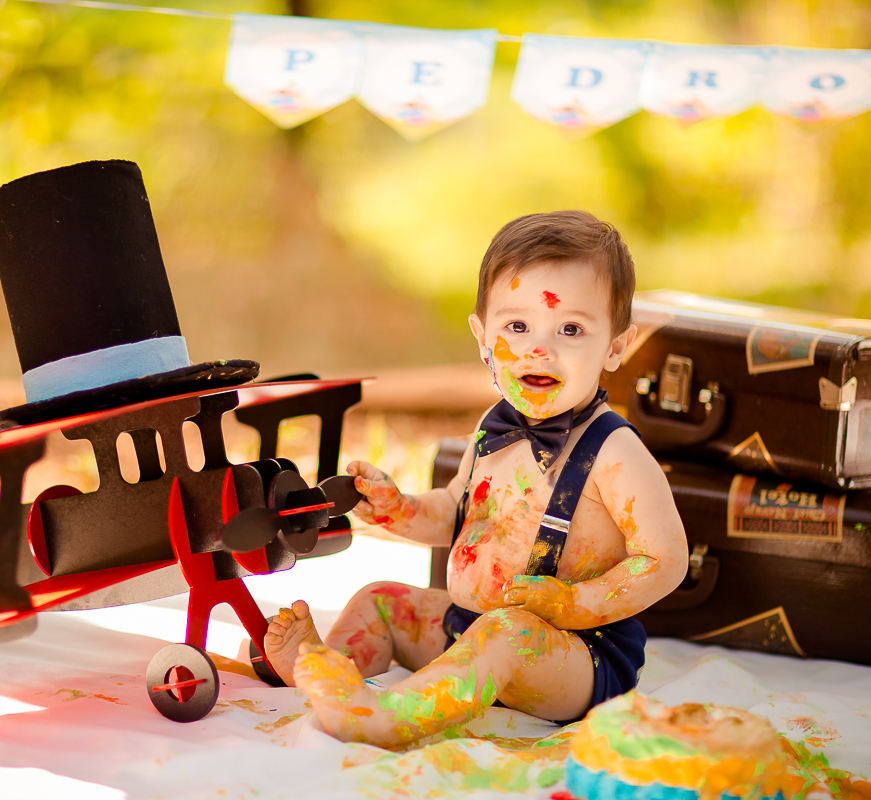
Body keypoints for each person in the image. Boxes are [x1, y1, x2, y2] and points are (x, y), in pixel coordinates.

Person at [263, 211, 688, 748]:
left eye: (571, 329)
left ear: (616, 347)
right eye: (517, 327)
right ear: (482, 336)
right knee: (381, 599)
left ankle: (388, 719)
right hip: (468, 627)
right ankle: (323, 672)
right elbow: (458, 514)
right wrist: (400, 508)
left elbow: (665, 559)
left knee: (507, 632)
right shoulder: (495, 426)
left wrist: (570, 605)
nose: (540, 348)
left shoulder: (615, 451)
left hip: (572, 657)